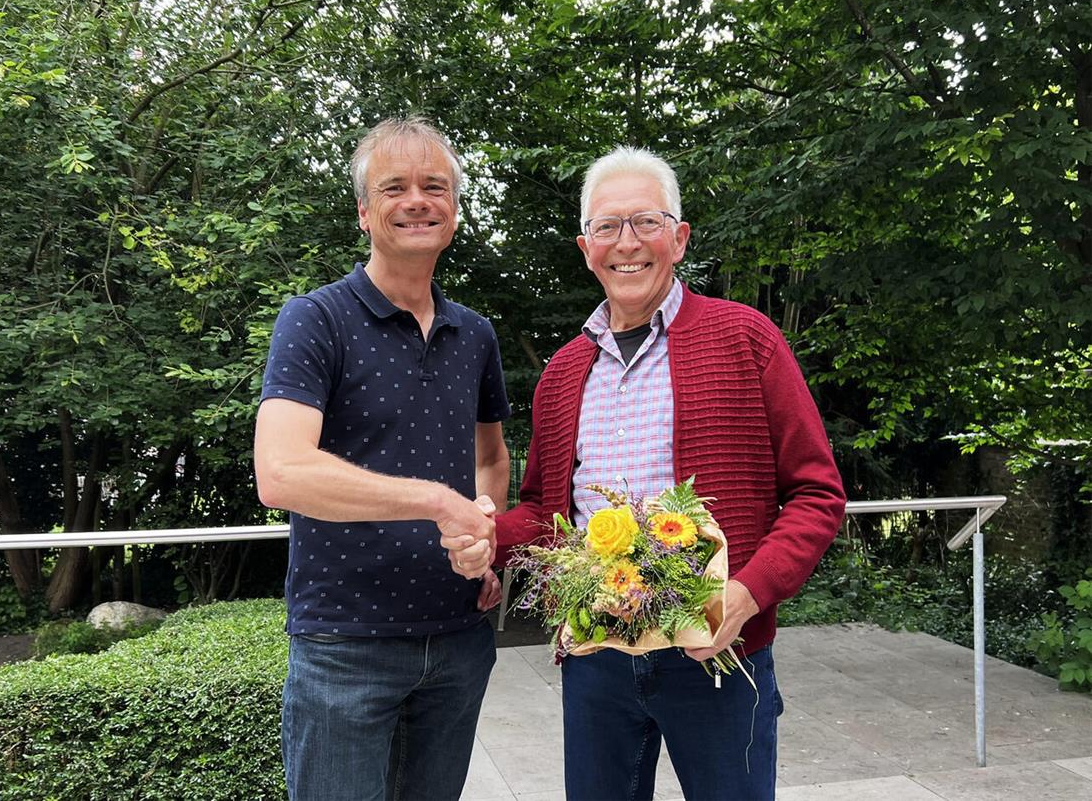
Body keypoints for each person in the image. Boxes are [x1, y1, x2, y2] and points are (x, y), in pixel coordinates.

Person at [482, 146, 846, 801]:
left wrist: (746, 594)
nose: (627, 242)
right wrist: (484, 534)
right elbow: (543, 510)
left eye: (646, 222)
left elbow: (818, 493)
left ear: (678, 238)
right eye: (607, 227)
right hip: (597, 658)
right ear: (585, 246)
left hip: (719, 655)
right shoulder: (563, 375)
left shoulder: (748, 340)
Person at [254, 117, 511, 801]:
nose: (417, 199)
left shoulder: (475, 334)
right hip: (345, 644)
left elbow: (491, 458)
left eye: (435, 185)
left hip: (458, 640)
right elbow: (280, 473)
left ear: (453, 212)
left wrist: (486, 529)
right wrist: (434, 500)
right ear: (366, 213)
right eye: (394, 186)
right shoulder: (315, 319)